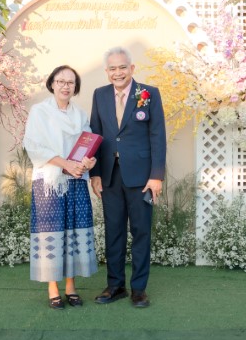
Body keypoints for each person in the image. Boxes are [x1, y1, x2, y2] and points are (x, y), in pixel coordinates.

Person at [90, 47, 166, 308]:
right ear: (107, 71)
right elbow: (96, 134)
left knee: (141, 231)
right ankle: (115, 286)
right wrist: (95, 174)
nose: (118, 72)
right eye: (112, 68)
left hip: (142, 178)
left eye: (122, 67)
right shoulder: (99, 95)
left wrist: (156, 176)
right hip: (109, 176)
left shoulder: (149, 93)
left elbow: (158, 135)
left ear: (132, 68)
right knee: (113, 231)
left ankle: (139, 289)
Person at [23, 65, 98, 310]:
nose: (66, 86)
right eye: (61, 81)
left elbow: (87, 144)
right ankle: (53, 288)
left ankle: (71, 287)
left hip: (76, 179)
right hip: (50, 181)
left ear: (75, 87)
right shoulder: (40, 111)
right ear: (52, 84)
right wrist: (65, 164)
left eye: (70, 82)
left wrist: (89, 161)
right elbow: (34, 146)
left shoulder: (79, 114)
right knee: (52, 230)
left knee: (73, 231)